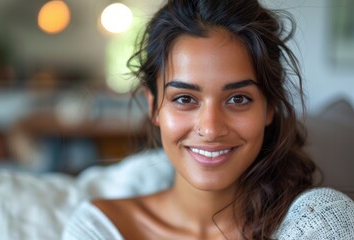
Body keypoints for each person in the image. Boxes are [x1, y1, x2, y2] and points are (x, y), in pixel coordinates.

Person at [63, 0, 354, 239]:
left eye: (238, 98)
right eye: (184, 99)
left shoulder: (318, 224)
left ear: (269, 108)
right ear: (154, 108)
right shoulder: (99, 229)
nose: (211, 129)